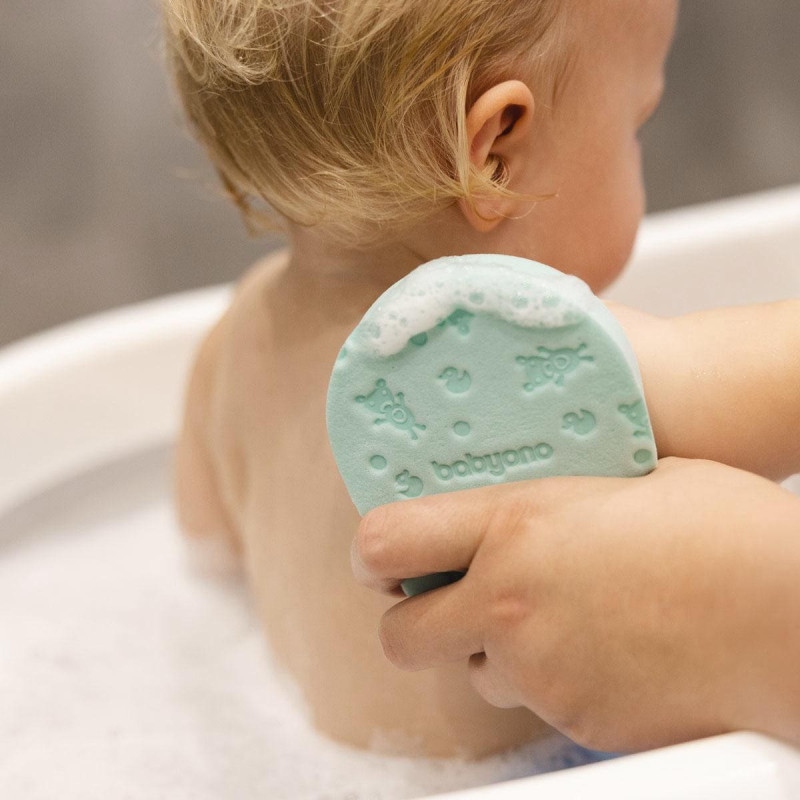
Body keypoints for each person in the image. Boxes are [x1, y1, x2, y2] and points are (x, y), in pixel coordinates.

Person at [162, 0, 799, 758]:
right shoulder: (514, 367)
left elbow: (207, 549)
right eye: (636, 123)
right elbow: (769, 378)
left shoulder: (234, 339)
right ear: (496, 153)